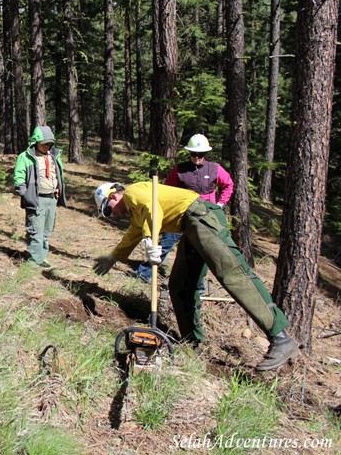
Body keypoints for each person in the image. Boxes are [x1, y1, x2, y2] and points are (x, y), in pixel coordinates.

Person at [92, 182, 298, 371]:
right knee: (180, 287)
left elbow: (152, 208)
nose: (114, 215)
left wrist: (150, 238)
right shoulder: (136, 212)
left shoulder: (133, 193)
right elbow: (132, 234)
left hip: (201, 216)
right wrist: (113, 257)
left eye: (109, 210)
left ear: (113, 196)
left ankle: (279, 336)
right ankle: (192, 345)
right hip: (189, 226)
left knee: (232, 274)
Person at [135, 134, 234, 282]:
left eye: (200, 154)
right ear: (189, 153)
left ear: (205, 154)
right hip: (180, 213)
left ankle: (197, 285)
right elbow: (167, 189)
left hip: (204, 216)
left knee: (201, 250)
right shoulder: (180, 170)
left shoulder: (214, 169)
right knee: (166, 242)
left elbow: (228, 185)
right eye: (193, 154)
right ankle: (145, 273)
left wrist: (220, 204)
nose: (197, 157)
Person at [13, 126, 66, 268]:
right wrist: (26, 194)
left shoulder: (54, 155)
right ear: (35, 142)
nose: (46, 146)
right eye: (43, 143)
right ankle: (34, 260)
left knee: (47, 230)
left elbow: (58, 174)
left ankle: (41, 256)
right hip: (36, 199)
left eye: (49, 143)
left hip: (51, 199)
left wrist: (58, 189)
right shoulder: (25, 157)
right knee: (35, 229)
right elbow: (18, 178)